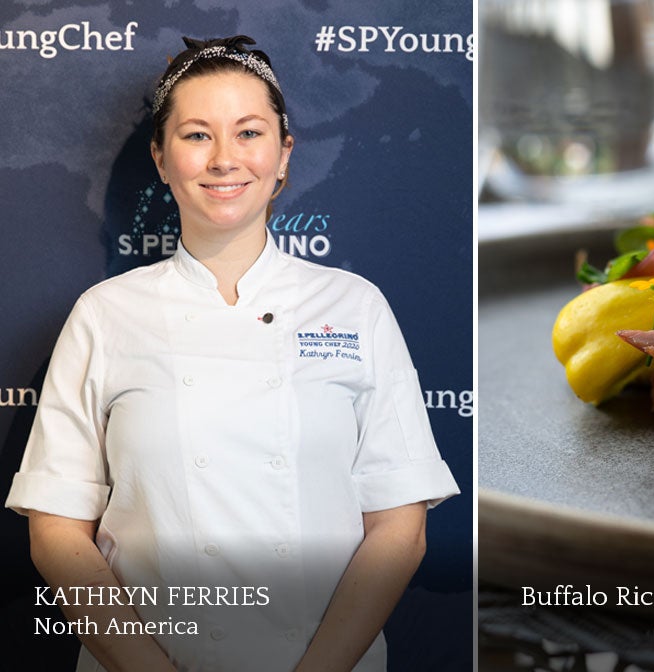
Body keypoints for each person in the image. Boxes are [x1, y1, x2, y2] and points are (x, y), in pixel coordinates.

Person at [5, 35, 459, 672]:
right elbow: (56, 533)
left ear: (283, 155)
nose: (224, 159)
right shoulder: (104, 315)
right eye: (196, 135)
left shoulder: (354, 307)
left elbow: (399, 529)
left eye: (249, 132)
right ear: (161, 159)